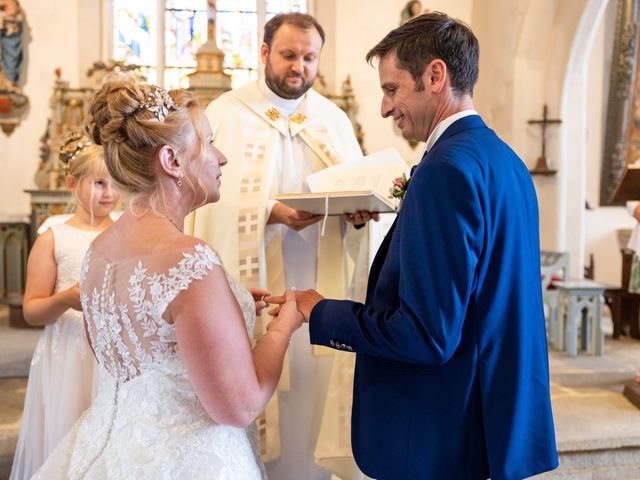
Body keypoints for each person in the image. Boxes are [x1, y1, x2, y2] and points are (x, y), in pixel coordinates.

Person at [274, 12, 559, 479]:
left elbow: (426, 335)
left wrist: (320, 311)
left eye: (391, 89)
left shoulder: (444, 170)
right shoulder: (505, 160)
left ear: (434, 75)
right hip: (486, 415)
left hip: (439, 432)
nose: (386, 109)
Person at [32, 77, 303, 479]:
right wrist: (282, 329)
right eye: (209, 143)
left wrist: (224, 300)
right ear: (172, 161)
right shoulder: (190, 261)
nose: (222, 157)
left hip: (108, 453)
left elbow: (136, 342)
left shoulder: (99, 251)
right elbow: (239, 406)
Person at [188, 12, 373, 479]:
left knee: (313, 392)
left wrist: (356, 217)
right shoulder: (226, 114)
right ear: (265, 52)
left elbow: (359, 192)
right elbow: (199, 200)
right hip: (255, 284)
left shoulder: (332, 120)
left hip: (320, 286)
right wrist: (270, 211)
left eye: (310, 58)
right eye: (290, 55)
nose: (300, 67)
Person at [10, 131, 120, 480]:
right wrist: (63, 299)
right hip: (68, 353)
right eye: (100, 183)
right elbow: (32, 309)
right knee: (67, 433)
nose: (110, 194)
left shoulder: (123, 235)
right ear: (73, 183)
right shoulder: (53, 237)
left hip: (112, 354)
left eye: (116, 184)